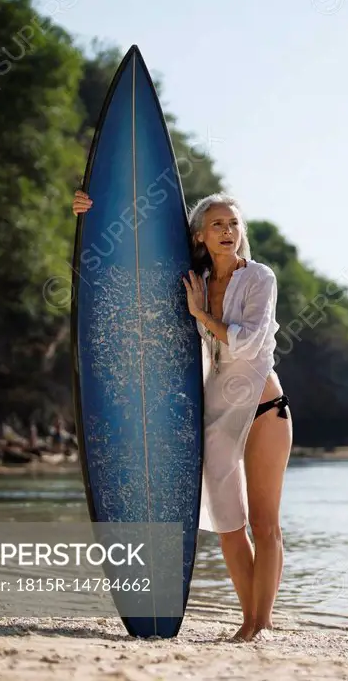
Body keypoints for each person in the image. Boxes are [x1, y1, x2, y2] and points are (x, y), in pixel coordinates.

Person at [72, 189, 293, 642]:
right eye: (217, 224)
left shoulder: (260, 278)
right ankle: (248, 618)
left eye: (233, 223)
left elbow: (249, 342)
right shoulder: (191, 278)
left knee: (265, 523)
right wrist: (92, 210)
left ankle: (258, 624)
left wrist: (201, 315)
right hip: (216, 418)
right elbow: (133, 255)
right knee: (229, 524)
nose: (228, 231)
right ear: (199, 236)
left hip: (265, 409)